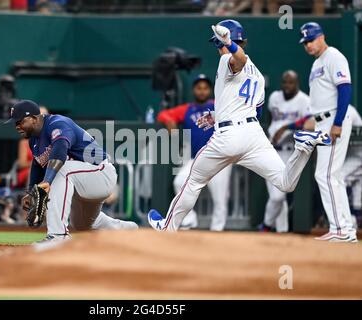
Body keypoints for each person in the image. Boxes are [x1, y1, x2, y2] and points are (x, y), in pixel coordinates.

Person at [147, 19, 331, 232]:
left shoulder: (228, 59)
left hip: (228, 135)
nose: (216, 47)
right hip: (253, 134)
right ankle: (303, 148)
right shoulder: (259, 76)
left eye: (217, 43)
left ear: (224, 42)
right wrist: (219, 114)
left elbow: (239, 59)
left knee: (194, 180)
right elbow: (255, 111)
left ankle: (168, 227)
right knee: (285, 183)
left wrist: (228, 44)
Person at [5, 100, 138, 244]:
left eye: (20, 121)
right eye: (15, 123)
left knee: (61, 169)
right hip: (83, 182)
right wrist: (30, 191)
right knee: (83, 224)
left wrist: (47, 181)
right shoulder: (34, 140)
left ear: (34, 118)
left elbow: (60, 151)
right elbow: (37, 164)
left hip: (101, 173)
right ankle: (129, 230)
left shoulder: (58, 123)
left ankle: (58, 235)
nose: (17, 126)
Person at [299, 22, 357, 242]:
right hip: (322, 121)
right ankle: (344, 228)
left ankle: (341, 229)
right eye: (305, 42)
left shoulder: (334, 56)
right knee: (333, 175)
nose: (308, 45)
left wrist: (338, 122)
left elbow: (345, 88)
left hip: (334, 118)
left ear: (321, 36)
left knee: (325, 174)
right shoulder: (316, 64)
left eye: (311, 40)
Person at [157, 74, 232, 231]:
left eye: (205, 88)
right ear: (193, 90)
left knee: (220, 199)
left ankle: (217, 230)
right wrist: (169, 120)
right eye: (199, 88)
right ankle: (190, 219)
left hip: (220, 159)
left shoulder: (218, 106)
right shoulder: (187, 109)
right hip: (197, 158)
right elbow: (163, 114)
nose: (202, 91)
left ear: (210, 90)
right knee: (179, 182)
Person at [259, 70, 312, 232]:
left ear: (297, 84)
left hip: (291, 152)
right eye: (285, 82)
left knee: (280, 195)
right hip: (272, 150)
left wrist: (286, 127)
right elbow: (270, 118)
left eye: (291, 82)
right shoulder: (274, 96)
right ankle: (271, 228)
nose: (287, 85)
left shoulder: (304, 100)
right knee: (277, 196)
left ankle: (271, 227)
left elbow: (310, 121)